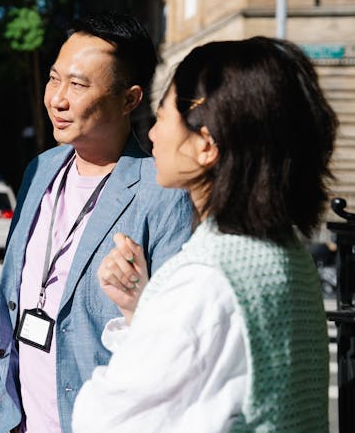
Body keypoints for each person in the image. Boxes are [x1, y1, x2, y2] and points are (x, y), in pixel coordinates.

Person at [72, 36, 337, 431]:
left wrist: (150, 313)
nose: (152, 136)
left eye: (161, 118)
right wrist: (141, 309)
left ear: (206, 145)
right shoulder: (285, 254)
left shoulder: (205, 279)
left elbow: (103, 419)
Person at [0, 12, 194, 433]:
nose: (58, 99)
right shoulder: (40, 171)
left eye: (79, 85)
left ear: (129, 99)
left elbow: (176, 342)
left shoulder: (161, 192)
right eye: (54, 79)